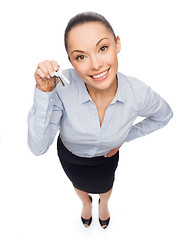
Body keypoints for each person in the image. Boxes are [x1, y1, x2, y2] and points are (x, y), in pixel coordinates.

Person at [27, 12, 173, 229]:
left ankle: (103, 204)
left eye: (103, 48)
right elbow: (38, 148)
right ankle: (86, 204)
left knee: (106, 186)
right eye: (81, 57)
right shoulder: (60, 88)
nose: (95, 64)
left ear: (117, 44)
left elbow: (163, 117)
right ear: (71, 61)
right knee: (78, 184)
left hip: (106, 158)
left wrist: (124, 137)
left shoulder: (139, 93)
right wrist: (43, 92)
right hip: (71, 157)